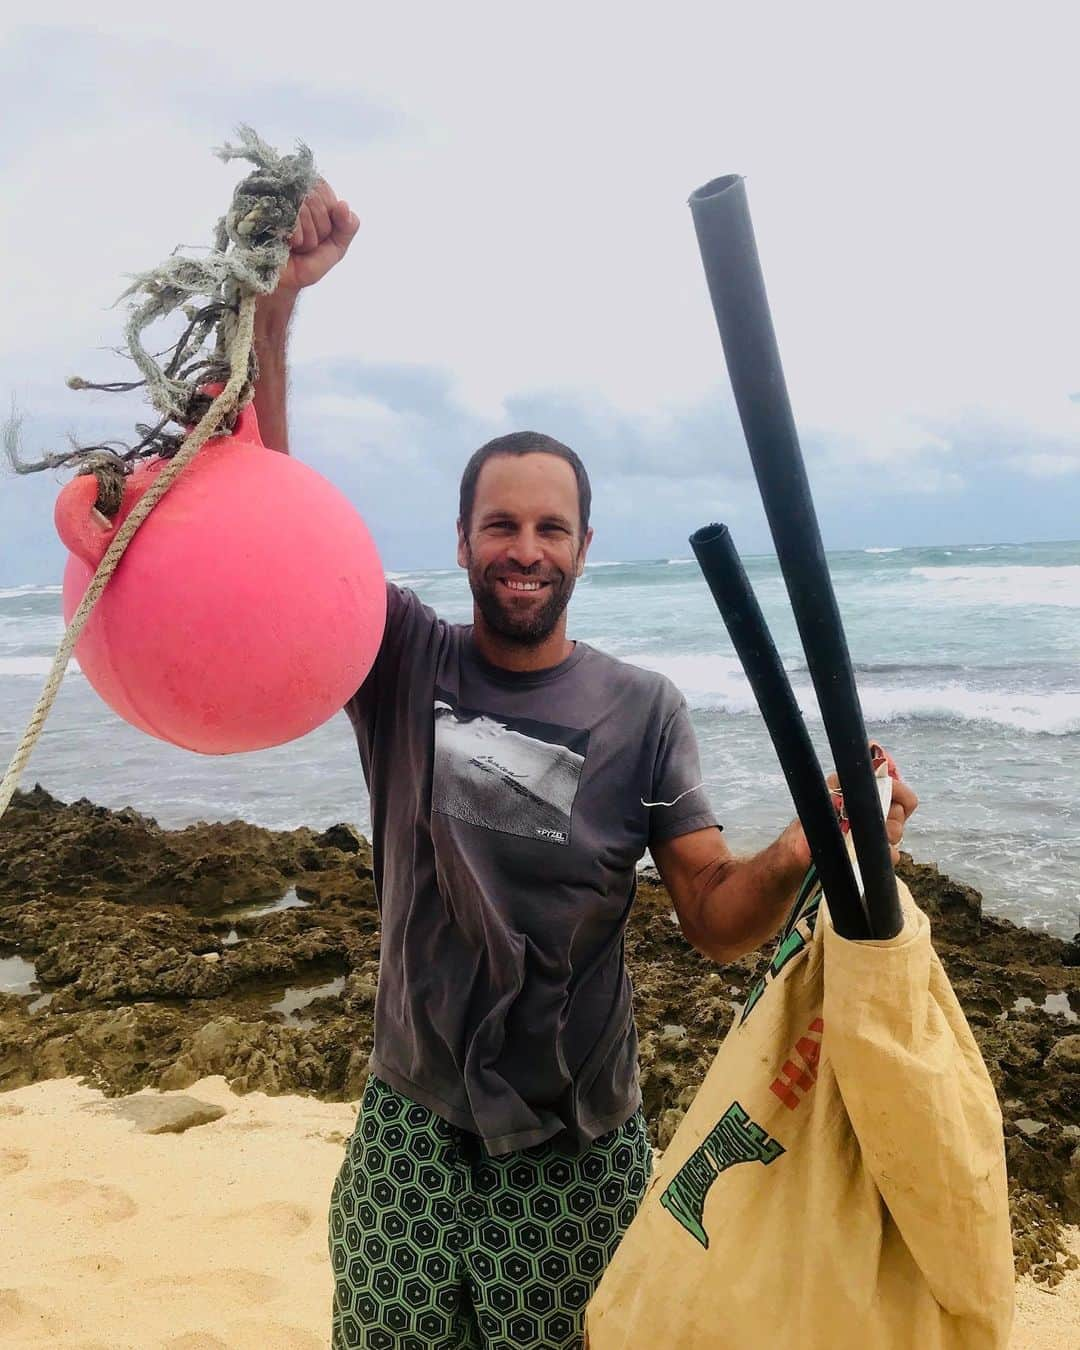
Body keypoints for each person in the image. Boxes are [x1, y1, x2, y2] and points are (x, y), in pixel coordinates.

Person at [253, 181, 918, 1350]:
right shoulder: (401, 661)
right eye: (500, 525)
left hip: (578, 1146)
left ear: (584, 548)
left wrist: (804, 846)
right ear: (460, 539)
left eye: (549, 528)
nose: (524, 549)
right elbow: (278, 526)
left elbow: (715, 919)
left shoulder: (642, 711)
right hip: (410, 1125)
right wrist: (274, 312)